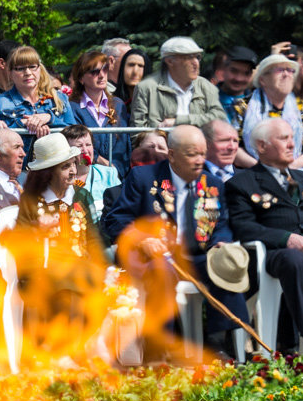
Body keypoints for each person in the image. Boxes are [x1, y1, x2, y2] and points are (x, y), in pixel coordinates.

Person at [104, 124, 248, 360]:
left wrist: (221, 243)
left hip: (197, 255)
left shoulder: (212, 184)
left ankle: (219, 345)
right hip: (155, 257)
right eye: (192, 154)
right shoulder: (144, 177)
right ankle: (160, 349)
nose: (199, 160)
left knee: (223, 267)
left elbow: (220, 225)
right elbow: (116, 220)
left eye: (203, 153)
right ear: (172, 154)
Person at [11, 133, 105, 362]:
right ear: (48, 172)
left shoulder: (81, 195)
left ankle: (75, 355)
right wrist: (36, 229)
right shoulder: (31, 200)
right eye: (65, 167)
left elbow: (93, 239)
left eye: (73, 164)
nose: (73, 171)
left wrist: (104, 269)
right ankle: (61, 356)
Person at [227, 118, 303, 351]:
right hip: (275, 254)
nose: (291, 144)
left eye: (292, 137)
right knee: (295, 260)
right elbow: (244, 227)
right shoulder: (242, 183)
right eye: (283, 138)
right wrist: (285, 238)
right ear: (262, 146)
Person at [231, 54, 303, 170]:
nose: (286, 74)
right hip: (253, 173)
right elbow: (233, 146)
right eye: (280, 70)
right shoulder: (243, 106)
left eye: (290, 70)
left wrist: (293, 166)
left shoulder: (301, 107)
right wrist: (262, 169)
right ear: (263, 80)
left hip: (294, 173)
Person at [131, 36, 226, 129]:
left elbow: (220, 117)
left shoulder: (206, 86)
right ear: (170, 61)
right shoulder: (146, 88)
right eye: (189, 57)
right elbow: (138, 132)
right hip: (162, 144)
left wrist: (178, 121)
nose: (196, 63)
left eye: (197, 57)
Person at [0, 46, 73, 145]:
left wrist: (49, 118)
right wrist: (23, 123)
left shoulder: (60, 98)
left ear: (39, 69)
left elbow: (74, 134)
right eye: (20, 69)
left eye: (32, 67)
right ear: (10, 73)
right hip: (18, 160)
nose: (28, 73)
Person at [68, 49, 132, 175]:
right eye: (94, 72)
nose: (102, 75)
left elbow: (124, 145)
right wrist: (104, 165)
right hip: (84, 175)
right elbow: (76, 145)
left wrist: (115, 171)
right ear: (81, 79)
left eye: (105, 69)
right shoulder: (72, 107)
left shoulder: (118, 104)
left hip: (117, 175)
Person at [63, 124, 121, 222]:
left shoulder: (109, 174)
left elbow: (120, 208)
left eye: (88, 145)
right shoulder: (62, 178)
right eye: (79, 146)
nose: (85, 151)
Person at [216, 46, 257, 121]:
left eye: (246, 73)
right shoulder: (207, 100)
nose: (239, 78)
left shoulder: (257, 103)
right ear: (223, 70)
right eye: (234, 71)